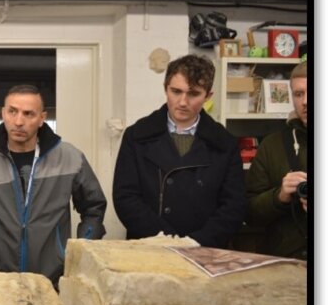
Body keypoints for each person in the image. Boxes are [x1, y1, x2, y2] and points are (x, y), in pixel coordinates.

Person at [0, 84, 107, 286]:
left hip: (53, 278)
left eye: (28, 114)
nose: (18, 121)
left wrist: (81, 252)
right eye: (12, 112)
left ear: (42, 118)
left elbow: (94, 206)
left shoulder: (70, 158)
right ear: (3, 113)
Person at [113, 54, 246, 248]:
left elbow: (234, 206)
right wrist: (165, 240)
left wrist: (196, 242)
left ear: (208, 96)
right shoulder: (136, 136)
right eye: (176, 91)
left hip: (205, 249)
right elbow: (126, 197)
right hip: (149, 246)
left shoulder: (225, 143)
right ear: (165, 88)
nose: (183, 102)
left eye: (193, 94)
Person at [245, 61, 308, 259]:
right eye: (298, 94)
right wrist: (279, 196)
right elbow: (249, 212)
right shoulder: (272, 146)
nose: (305, 101)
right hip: (284, 261)